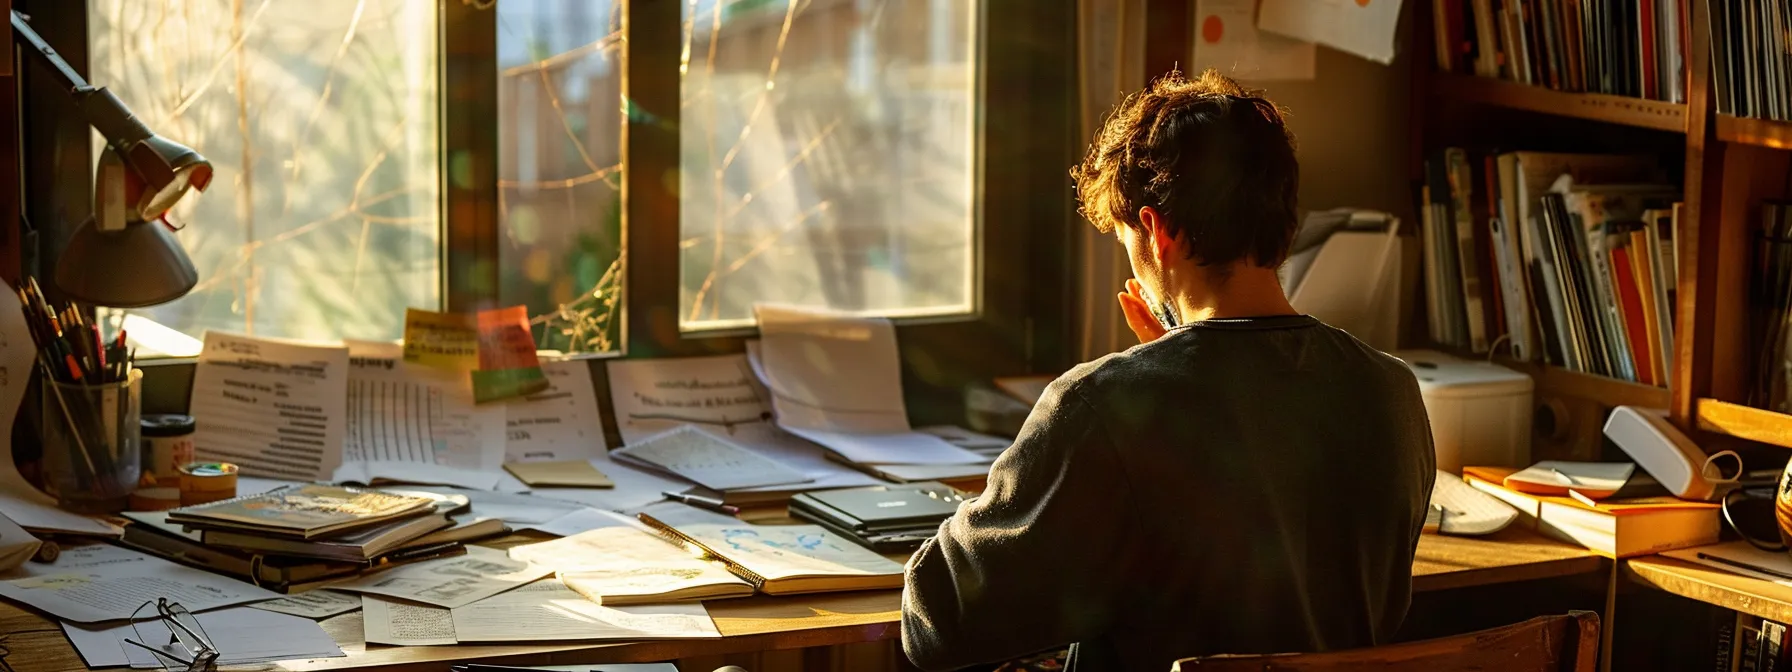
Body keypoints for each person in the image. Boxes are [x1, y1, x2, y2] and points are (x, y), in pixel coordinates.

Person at [900, 70, 1438, 672]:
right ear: (1281, 221)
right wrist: (1174, 360)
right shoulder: (1391, 391)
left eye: (1127, 237)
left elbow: (937, 626)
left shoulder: (1102, 406)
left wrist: (1137, 385)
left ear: (1156, 234)